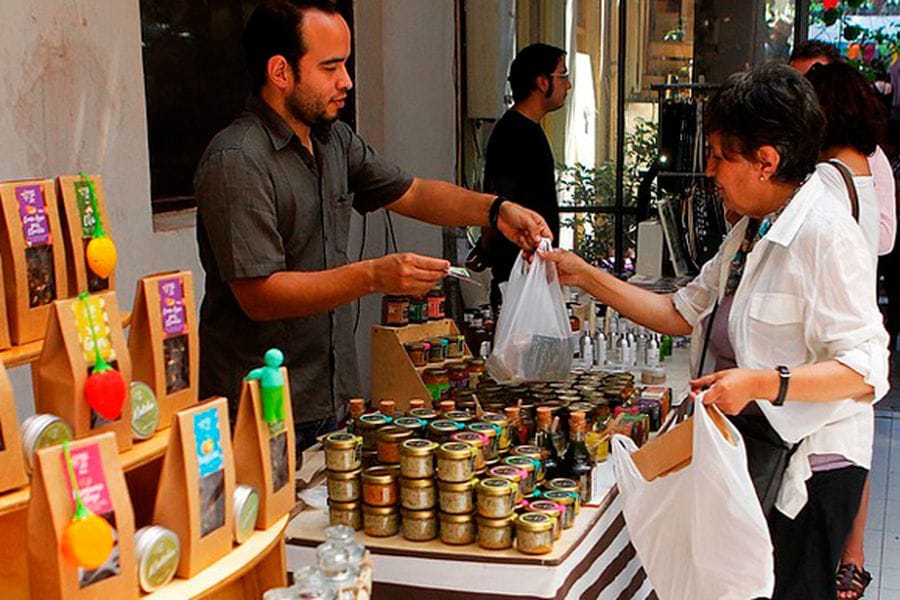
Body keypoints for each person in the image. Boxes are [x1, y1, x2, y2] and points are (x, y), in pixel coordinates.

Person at [542, 63, 889, 599]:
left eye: (722, 156)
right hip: (754, 450)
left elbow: (867, 369)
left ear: (766, 162)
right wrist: (585, 275)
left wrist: (759, 382)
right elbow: (680, 312)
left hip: (810, 469)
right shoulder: (753, 228)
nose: (711, 171)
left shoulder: (825, 234)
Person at [193, 0, 551, 456]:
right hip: (257, 415)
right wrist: (372, 276)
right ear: (280, 72)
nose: (347, 81)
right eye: (331, 67)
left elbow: (414, 192)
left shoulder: (333, 141)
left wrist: (497, 210)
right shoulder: (238, 160)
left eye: (346, 63)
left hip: (333, 397)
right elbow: (259, 295)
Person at [797, 52, 896, 600]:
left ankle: (849, 557)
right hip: (849, 336)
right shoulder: (860, 170)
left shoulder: (829, 181)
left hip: (835, 339)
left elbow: (883, 239)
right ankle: (849, 557)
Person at [479, 43, 569, 312]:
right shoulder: (512, 133)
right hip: (517, 275)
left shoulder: (530, 129)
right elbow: (494, 202)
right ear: (542, 82)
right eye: (562, 76)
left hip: (533, 272)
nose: (569, 85)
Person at [790, 40, 896, 256]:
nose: (800, 95)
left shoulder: (858, 159)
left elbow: (884, 238)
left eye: (812, 82)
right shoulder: (795, 146)